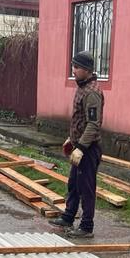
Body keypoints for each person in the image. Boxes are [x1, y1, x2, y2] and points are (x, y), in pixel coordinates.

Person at [49, 50, 104, 239]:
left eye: (77, 67)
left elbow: (93, 124)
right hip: (78, 145)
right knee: (73, 184)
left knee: (86, 188)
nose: (73, 70)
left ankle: (86, 226)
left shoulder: (92, 93)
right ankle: (68, 217)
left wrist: (80, 148)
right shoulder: (82, 87)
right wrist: (71, 139)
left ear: (87, 70)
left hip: (88, 149)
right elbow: (79, 120)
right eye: (73, 66)